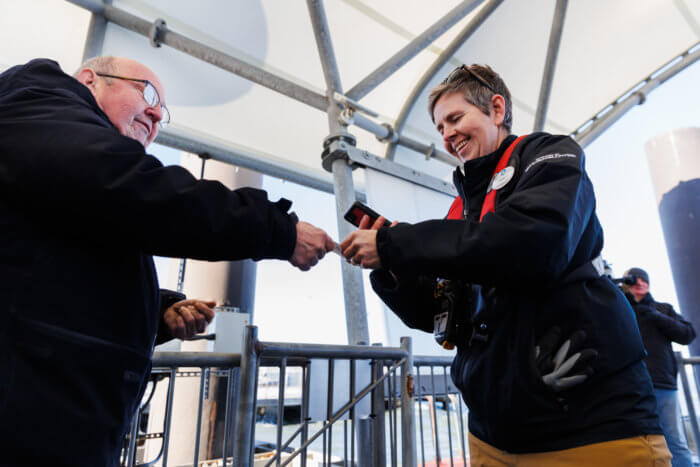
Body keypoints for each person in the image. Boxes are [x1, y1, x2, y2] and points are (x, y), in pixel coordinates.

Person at [0, 57, 334, 466]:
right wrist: (279, 230)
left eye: (163, 113)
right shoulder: (38, 101)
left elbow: (54, 272)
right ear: (90, 79)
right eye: (148, 93)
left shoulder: (57, 158)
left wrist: (158, 312)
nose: (157, 114)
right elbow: (136, 190)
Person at [341, 64, 670, 465]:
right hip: (492, 436)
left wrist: (396, 242)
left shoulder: (551, 156)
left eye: (455, 118)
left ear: (497, 109)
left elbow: (535, 243)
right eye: (440, 127)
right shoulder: (460, 211)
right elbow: (439, 312)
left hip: (590, 427)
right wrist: (392, 267)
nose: (447, 135)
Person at [623, 267, 696, 467]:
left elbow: (687, 334)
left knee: (675, 441)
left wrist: (654, 315)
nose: (639, 284)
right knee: (637, 442)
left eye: (643, 281)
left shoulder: (662, 309)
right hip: (631, 387)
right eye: (633, 281)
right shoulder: (618, 309)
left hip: (663, 385)